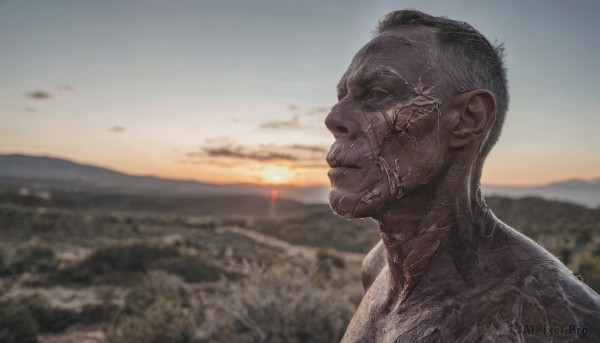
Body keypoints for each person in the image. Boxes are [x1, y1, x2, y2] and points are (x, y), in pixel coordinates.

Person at [324, 10, 600, 342]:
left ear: (467, 119)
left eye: (377, 94)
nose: (334, 118)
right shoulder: (378, 267)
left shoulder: (559, 321)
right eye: (343, 98)